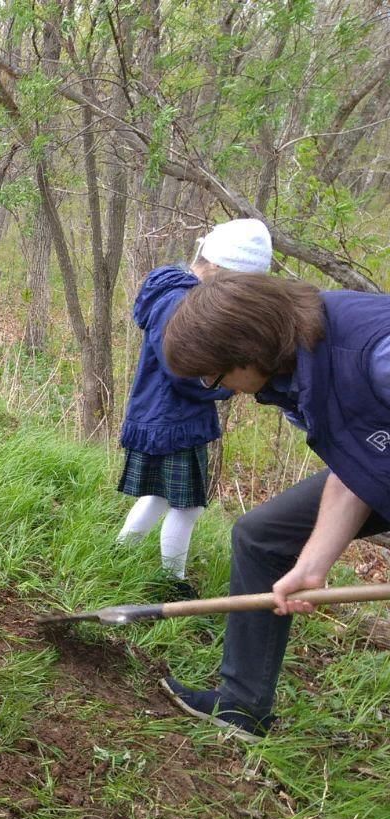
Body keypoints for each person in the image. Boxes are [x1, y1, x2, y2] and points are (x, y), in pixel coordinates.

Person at [162, 272, 390, 741]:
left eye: (215, 375)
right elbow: (355, 467)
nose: (215, 386)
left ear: (249, 349)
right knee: (260, 535)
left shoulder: (375, 354)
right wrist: (312, 563)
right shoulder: (299, 367)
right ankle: (242, 708)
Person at [115, 219, 273, 596]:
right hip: (172, 419)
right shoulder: (180, 303)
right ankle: (173, 582)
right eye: (238, 279)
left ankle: (119, 555)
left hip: (165, 416)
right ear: (216, 266)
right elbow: (180, 370)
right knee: (187, 507)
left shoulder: (184, 295)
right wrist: (226, 388)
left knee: (158, 497)